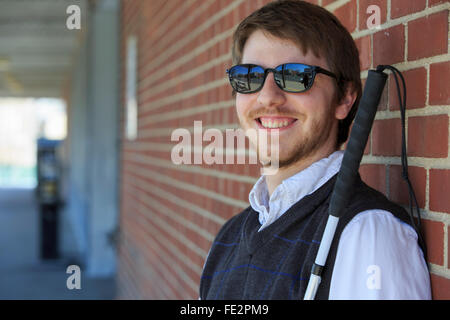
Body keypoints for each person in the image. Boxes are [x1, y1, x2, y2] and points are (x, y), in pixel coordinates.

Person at [199, 0, 431, 300]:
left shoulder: (367, 234)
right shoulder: (227, 239)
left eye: (295, 75)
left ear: (344, 99)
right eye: (250, 76)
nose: (268, 97)